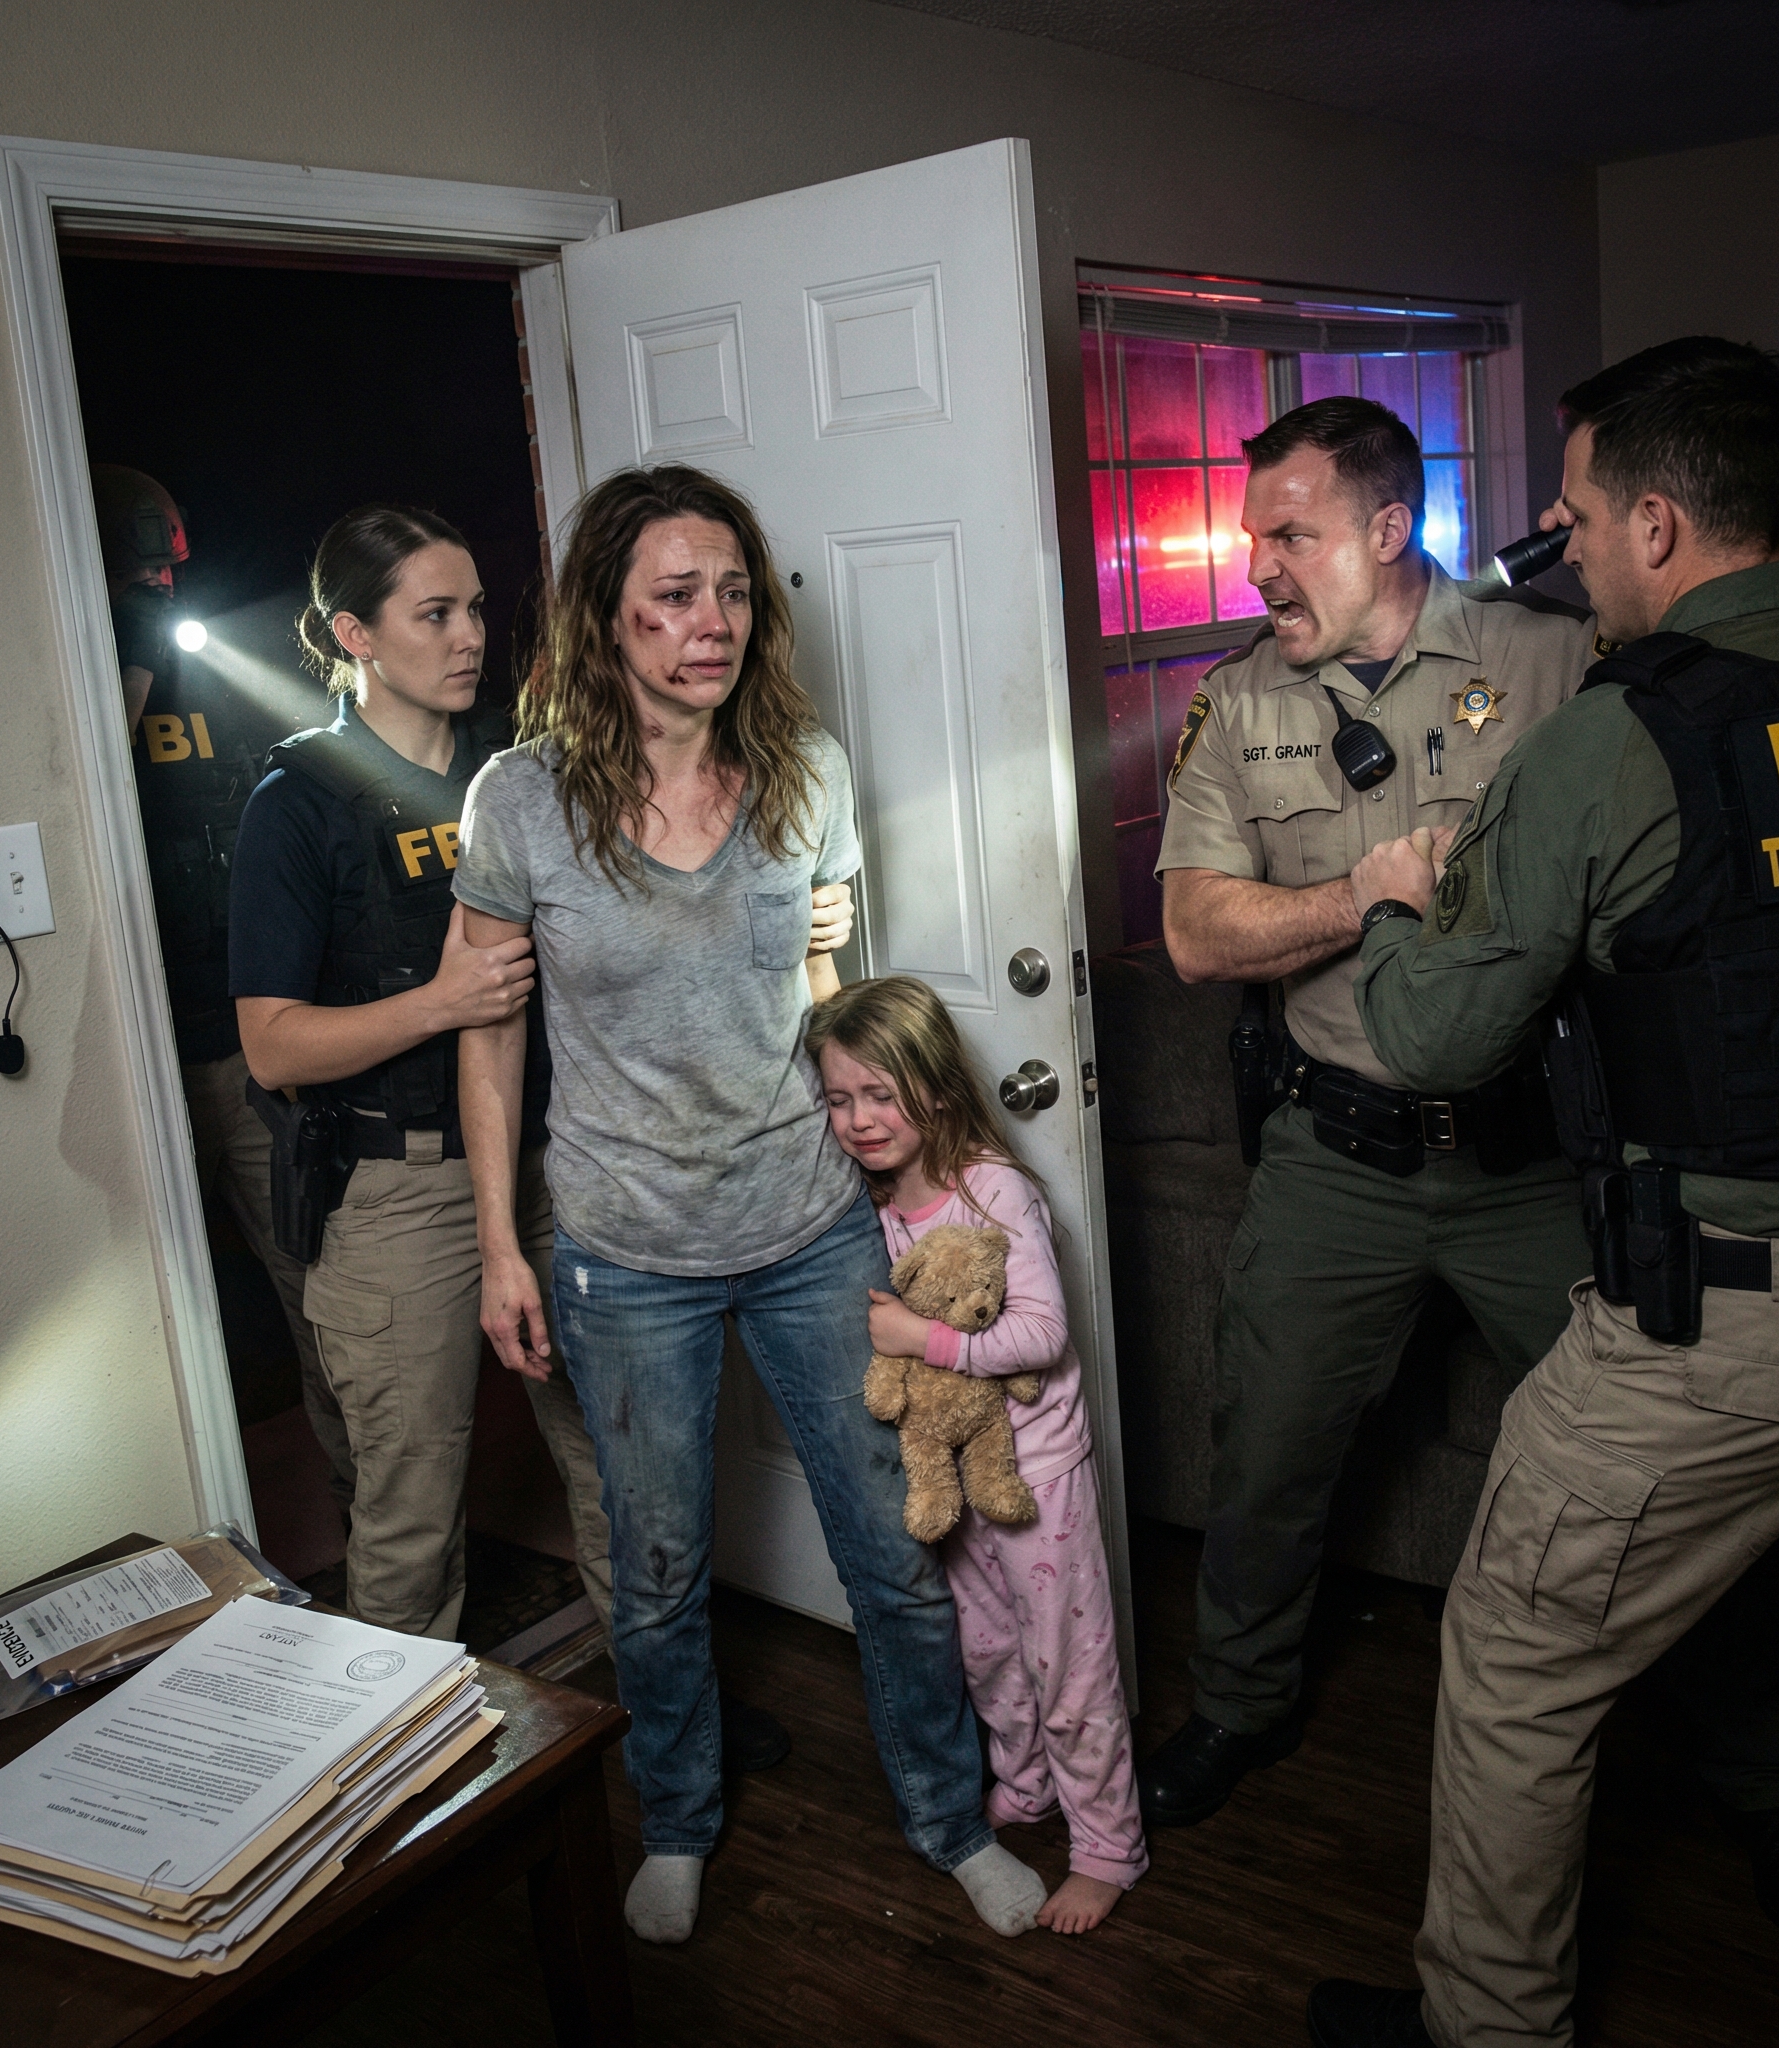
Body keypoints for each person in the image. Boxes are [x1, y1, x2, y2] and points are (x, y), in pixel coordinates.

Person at [1310, 336, 1779, 2048]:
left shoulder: (1616, 739)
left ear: (1657, 523)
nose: (1562, 547)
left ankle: (1484, 2029)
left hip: (1734, 1325)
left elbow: (1435, 1036)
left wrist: (1393, 899)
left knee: (1518, 1658)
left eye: (1576, 515)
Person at [452, 464, 1046, 1948]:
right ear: (605, 617)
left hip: (808, 1227)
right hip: (624, 1252)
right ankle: (677, 1822)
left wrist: (902, 1168)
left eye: (730, 591)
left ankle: (950, 1818)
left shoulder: (806, 773)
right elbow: (489, 1033)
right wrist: (499, 1247)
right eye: (673, 594)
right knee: (655, 1579)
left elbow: (826, 994)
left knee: (894, 1554)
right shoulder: (521, 800)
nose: (710, 621)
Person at [1144, 397, 1602, 1821]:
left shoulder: (1554, 661)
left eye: (1291, 534)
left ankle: (1759, 1769)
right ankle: (1239, 1706)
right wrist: (1359, 893)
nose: (1257, 566)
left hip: (1532, 1158)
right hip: (1335, 1157)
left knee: (1639, 1463)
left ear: (1390, 527)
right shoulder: (1239, 703)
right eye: (1251, 536)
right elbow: (1194, 934)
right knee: (1264, 1454)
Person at [228, 504, 609, 1638]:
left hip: (559, 1166)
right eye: (434, 614)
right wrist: (441, 1003)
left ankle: (666, 1710)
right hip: (400, 1192)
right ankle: (413, 1750)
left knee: (620, 1467)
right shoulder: (297, 807)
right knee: (409, 1514)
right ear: (355, 634)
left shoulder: (523, 772)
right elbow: (272, 1046)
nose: (470, 635)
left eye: (476, 608)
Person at [808, 975, 1148, 1935]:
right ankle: (1027, 1781)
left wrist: (925, 1342)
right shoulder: (874, 1205)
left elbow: (1041, 1333)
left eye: (881, 1094)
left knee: (1067, 1664)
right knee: (988, 1651)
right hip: (950, 1477)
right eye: (839, 1099)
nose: (859, 1120)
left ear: (936, 1087)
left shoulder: (992, 1188)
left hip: (1036, 1473)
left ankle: (1109, 1845)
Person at [95, 462, 354, 1511]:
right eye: (141, 574)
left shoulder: (217, 670)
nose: (161, 590)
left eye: (168, 572)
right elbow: (84, 786)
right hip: (133, 1056)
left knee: (315, 1290)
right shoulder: (89, 674)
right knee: (140, 1322)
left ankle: (360, 1503)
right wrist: (127, 653)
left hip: (239, 1048)